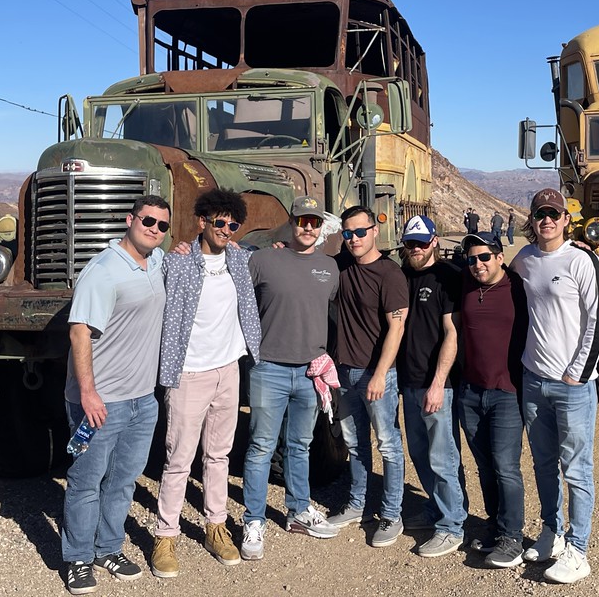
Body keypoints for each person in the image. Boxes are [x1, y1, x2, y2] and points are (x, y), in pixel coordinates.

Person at [150, 189, 262, 578]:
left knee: (218, 456)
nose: (226, 230)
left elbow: (270, 256)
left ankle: (215, 525)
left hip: (227, 371)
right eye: (220, 222)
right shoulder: (176, 263)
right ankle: (165, 535)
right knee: (178, 459)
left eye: (233, 224)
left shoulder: (240, 259)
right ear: (202, 222)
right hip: (188, 373)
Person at [62, 195, 170, 595]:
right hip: (100, 401)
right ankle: (77, 558)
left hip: (143, 399)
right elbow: (80, 332)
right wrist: (88, 393)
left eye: (161, 225)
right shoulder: (103, 271)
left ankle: (108, 547)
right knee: (86, 481)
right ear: (130, 219)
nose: (154, 229)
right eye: (148, 221)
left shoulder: (155, 261)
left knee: (124, 480)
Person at [510, 188, 599, 585]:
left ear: (566, 219)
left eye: (554, 213)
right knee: (542, 463)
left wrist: (579, 372)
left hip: (572, 386)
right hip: (533, 380)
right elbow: (502, 279)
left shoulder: (582, 260)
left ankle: (579, 548)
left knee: (577, 470)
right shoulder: (526, 258)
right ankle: (551, 532)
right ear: (532, 219)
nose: (547, 220)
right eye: (540, 214)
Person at [240, 196, 341, 560]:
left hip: (311, 371)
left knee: (299, 445)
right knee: (261, 447)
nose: (308, 228)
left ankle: (298, 510)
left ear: (320, 226)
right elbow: (238, 298)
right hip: (269, 367)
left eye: (314, 222)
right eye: (302, 222)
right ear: (292, 224)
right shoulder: (263, 260)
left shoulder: (329, 267)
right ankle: (253, 519)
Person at [326, 205, 409, 548]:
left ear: (375, 231)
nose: (355, 239)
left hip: (377, 375)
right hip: (344, 372)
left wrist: (379, 374)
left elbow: (397, 326)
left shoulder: (389, 274)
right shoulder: (340, 265)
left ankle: (392, 513)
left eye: (361, 232)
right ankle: (357, 504)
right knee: (354, 443)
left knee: (388, 444)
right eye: (348, 233)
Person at [457, 231, 528, 569]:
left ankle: (512, 535)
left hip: (507, 391)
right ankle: (494, 524)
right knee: (485, 465)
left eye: (485, 257)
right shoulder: (465, 285)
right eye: (471, 259)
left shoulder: (519, 286)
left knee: (506, 466)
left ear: (500, 257)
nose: (478, 264)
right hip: (471, 391)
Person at [397, 215, 466, 558]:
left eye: (422, 243)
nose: (416, 249)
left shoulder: (446, 278)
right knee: (420, 453)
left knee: (442, 456)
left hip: (436, 383)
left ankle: (452, 524)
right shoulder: (403, 274)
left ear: (435, 241)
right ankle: (438, 507)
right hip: (408, 380)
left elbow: (452, 333)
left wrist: (439, 384)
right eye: (410, 243)